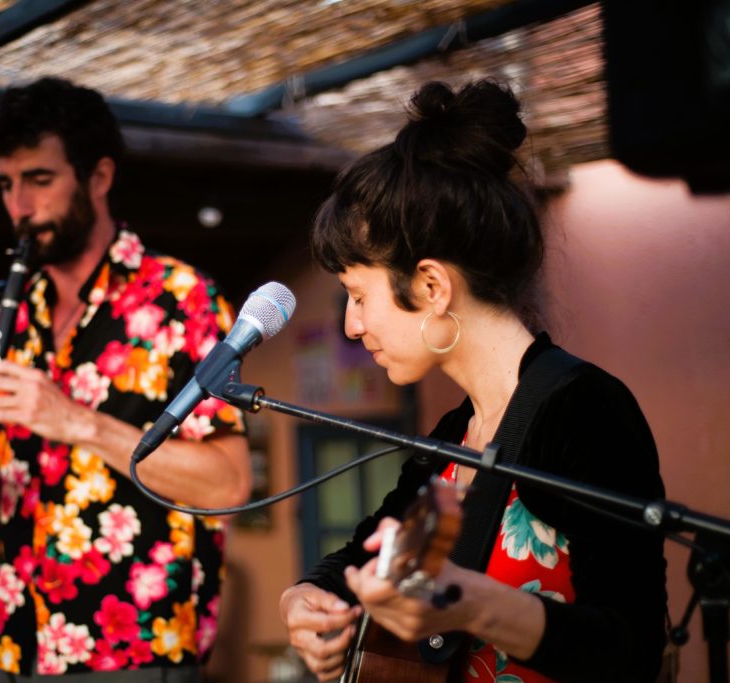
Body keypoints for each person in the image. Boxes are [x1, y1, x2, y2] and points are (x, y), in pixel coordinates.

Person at [279, 80, 667, 683]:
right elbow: (361, 553)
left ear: (432, 288)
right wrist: (304, 600)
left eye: (358, 296)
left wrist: (474, 604)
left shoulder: (584, 411)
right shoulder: (457, 432)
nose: (352, 326)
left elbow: (632, 649)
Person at [0, 77, 251, 681]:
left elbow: (229, 485)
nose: (19, 206)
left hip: (136, 651)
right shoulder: (14, 313)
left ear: (98, 177)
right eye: (6, 184)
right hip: (17, 647)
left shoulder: (185, 299)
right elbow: (7, 498)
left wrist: (75, 420)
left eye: (39, 180)